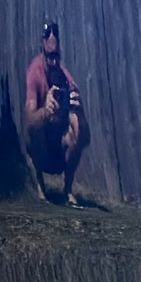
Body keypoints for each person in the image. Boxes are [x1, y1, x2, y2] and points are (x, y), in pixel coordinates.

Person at [24, 19, 88, 204]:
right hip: (40, 147)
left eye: (56, 57)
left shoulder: (66, 79)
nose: (53, 62)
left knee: (78, 132)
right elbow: (28, 122)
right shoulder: (35, 74)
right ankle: (40, 186)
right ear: (42, 51)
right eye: (49, 56)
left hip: (58, 149)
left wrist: (80, 116)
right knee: (33, 129)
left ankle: (67, 190)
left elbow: (85, 138)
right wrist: (46, 111)